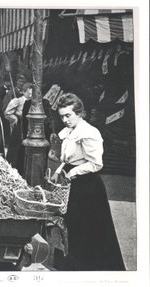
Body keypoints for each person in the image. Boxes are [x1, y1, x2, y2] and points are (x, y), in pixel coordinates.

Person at [51, 93, 125, 271]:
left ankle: (87, 267)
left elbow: (96, 163)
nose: (65, 120)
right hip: (73, 182)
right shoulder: (70, 131)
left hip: (87, 186)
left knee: (87, 227)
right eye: (62, 116)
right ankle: (73, 263)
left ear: (79, 113)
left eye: (68, 115)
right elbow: (68, 159)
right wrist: (59, 170)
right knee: (72, 224)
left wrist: (72, 173)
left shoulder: (89, 133)